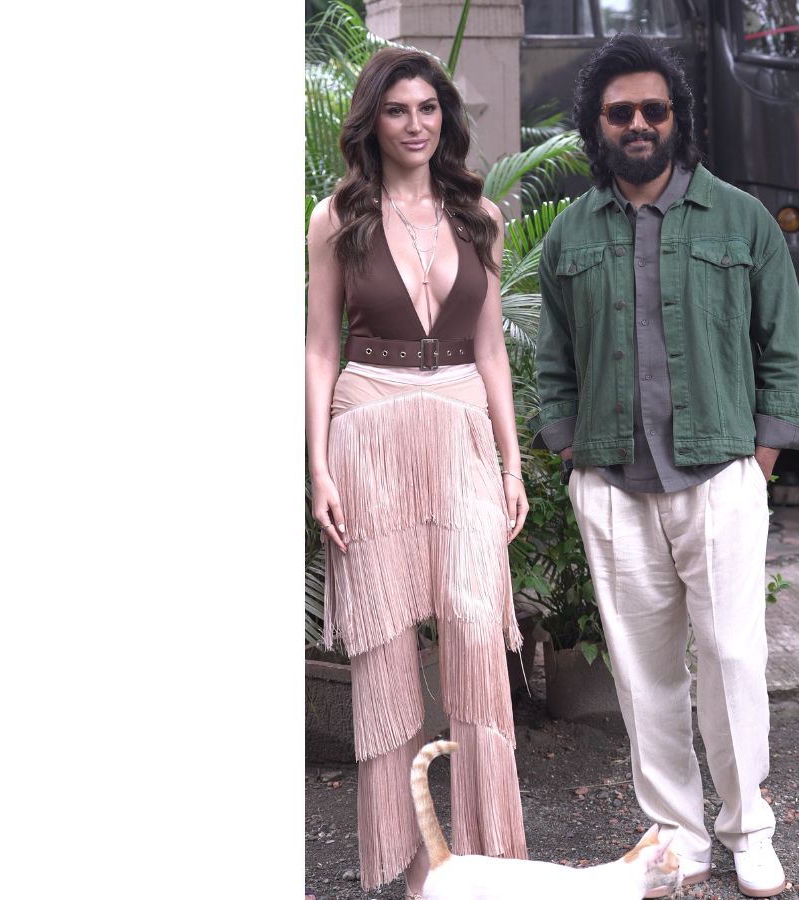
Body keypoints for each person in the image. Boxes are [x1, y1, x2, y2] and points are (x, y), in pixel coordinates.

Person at [529, 33, 799, 899]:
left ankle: (748, 827)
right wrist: (570, 451)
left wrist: (762, 454)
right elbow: (553, 359)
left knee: (731, 657)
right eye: (621, 112)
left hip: (720, 474)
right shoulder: (571, 233)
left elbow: (785, 346)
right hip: (612, 480)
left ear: (677, 118)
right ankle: (677, 836)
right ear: (598, 125)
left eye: (654, 109)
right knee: (643, 671)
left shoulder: (741, 219)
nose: (639, 123)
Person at [306, 47, 530, 896]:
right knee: (387, 655)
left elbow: (491, 349)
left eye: (428, 109)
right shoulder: (338, 217)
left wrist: (512, 464)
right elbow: (319, 346)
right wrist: (318, 468)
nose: (415, 125)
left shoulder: (480, 215)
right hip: (368, 429)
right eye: (397, 110)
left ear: (446, 118)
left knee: (475, 634)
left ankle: (487, 858)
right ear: (373, 121)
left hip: (463, 428)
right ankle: (411, 870)